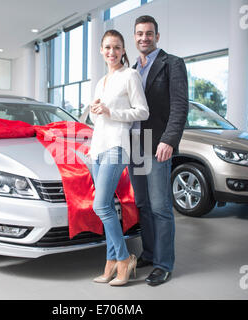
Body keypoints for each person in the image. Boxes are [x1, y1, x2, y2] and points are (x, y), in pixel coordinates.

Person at [129, 15, 189, 286]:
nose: (144, 38)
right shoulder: (131, 69)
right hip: (135, 146)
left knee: (160, 206)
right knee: (142, 204)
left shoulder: (172, 64)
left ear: (157, 36)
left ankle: (164, 264)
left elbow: (179, 106)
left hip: (157, 144)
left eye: (149, 33)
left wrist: (169, 140)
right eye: (140, 33)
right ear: (134, 37)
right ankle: (150, 252)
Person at [89, 29, 149, 286]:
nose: (111, 52)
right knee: (108, 208)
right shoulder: (100, 82)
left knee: (100, 205)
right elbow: (96, 118)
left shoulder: (130, 75)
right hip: (96, 149)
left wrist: (111, 111)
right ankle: (111, 262)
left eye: (116, 47)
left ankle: (124, 259)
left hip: (116, 146)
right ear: (101, 51)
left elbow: (142, 112)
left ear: (123, 50)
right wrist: (96, 111)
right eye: (107, 48)